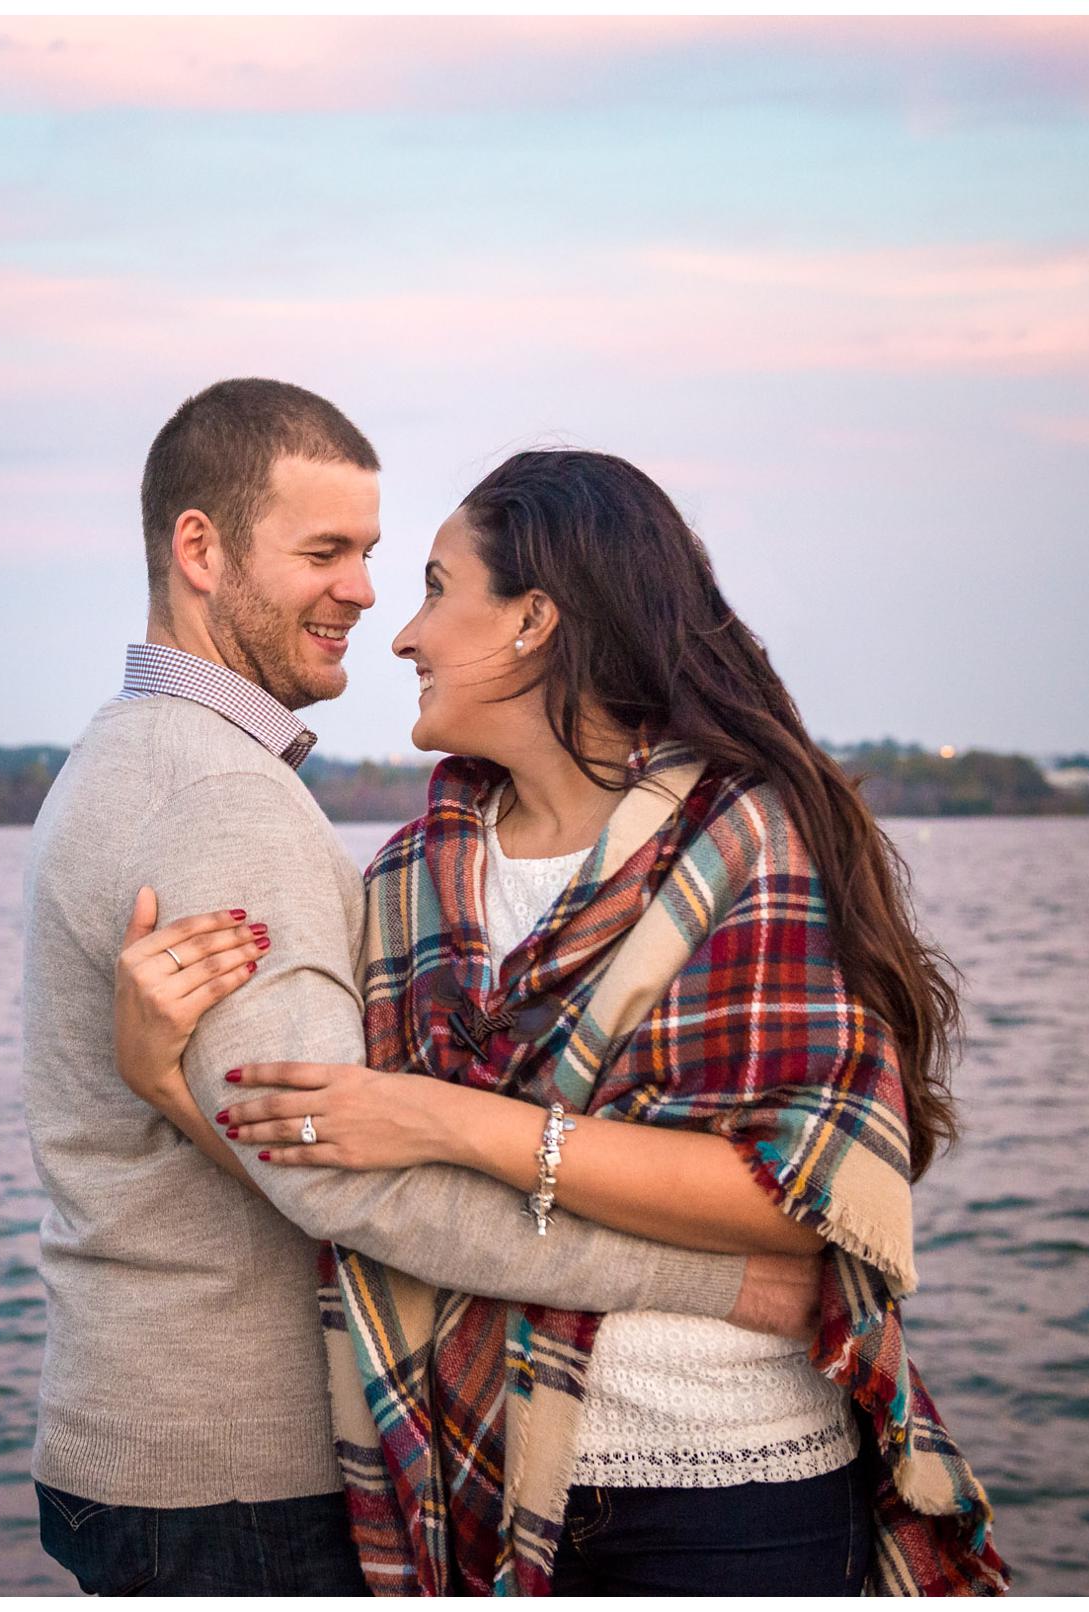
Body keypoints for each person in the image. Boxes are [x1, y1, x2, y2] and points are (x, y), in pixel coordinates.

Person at [112, 447, 1009, 1595]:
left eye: (437, 588)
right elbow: (343, 1169)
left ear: (534, 619)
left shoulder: (746, 842)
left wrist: (455, 1122)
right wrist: (165, 1080)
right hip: (473, 1486)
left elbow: (802, 1199)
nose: (401, 634)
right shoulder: (406, 880)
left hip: (734, 1490)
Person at [20, 384, 824, 1597]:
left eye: (380, 559)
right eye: (324, 552)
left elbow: (315, 1141)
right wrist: (714, 1279)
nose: (365, 596)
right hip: (231, 1470)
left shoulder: (139, 755)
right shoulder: (219, 798)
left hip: (166, 1452)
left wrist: (164, 1087)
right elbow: (338, 1163)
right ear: (200, 549)